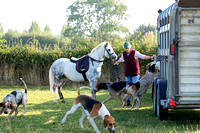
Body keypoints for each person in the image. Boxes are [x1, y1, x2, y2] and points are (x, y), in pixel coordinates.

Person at [114, 42, 155, 106]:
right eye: (126, 48)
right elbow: (121, 59)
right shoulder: (124, 53)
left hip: (135, 73)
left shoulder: (134, 52)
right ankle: (128, 101)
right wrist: (118, 62)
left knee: (135, 88)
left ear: (130, 47)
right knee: (128, 88)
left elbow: (142, 56)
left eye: (128, 48)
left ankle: (137, 102)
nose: (127, 49)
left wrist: (150, 57)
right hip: (127, 73)